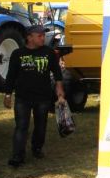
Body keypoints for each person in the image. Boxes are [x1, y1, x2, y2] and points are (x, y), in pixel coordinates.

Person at [4, 25, 65, 167]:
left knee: (40, 125)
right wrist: (8, 94)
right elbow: (11, 76)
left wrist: (60, 91)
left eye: (43, 35)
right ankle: (18, 156)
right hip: (22, 98)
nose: (43, 38)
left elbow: (58, 75)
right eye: (39, 35)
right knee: (21, 126)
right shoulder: (17, 54)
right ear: (29, 37)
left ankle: (37, 148)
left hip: (43, 97)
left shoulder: (49, 53)